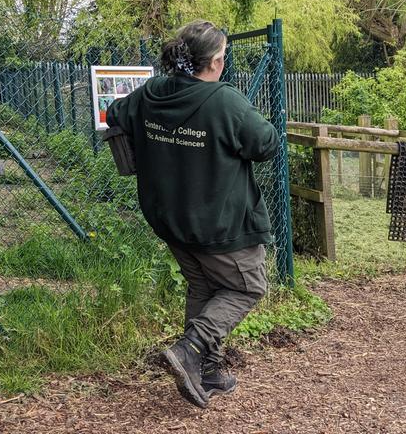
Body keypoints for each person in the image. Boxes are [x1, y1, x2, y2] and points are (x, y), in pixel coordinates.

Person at [106, 20, 279, 408]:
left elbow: (115, 114)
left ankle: (209, 372)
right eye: (223, 57)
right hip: (219, 224)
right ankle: (191, 349)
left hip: (171, 218)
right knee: (246, 287)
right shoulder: (224, 100)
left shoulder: (152, 93)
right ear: (215, 62)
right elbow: (265, 143)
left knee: (204, 288)